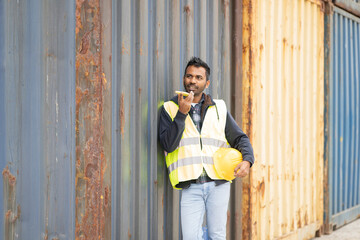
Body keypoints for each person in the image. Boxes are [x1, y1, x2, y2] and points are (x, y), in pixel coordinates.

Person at [158, 57, 254, 240]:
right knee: (190, 237)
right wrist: (181, 114)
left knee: (217, 235)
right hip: (190, 186)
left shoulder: (219, 108)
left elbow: (240, 138)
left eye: (198, 77)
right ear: (184, 78)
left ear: (206, 82)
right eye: (189, 76)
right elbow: (168, 145)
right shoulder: (169, 108)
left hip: (218, 183)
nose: (192, 81)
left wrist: (248, 160)